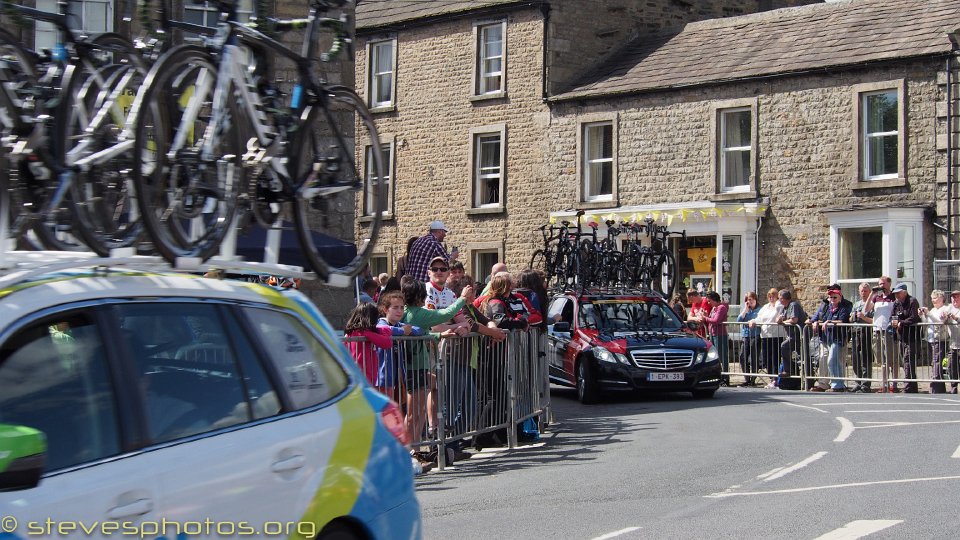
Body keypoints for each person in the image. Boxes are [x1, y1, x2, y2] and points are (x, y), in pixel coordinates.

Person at [400, 279, 472, 458]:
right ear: (420, 296)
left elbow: (422, 333)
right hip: (416, 367)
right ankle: (410, 451)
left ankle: (414, 449)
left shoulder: (407, 312)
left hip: (414, 366)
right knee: (414, 413)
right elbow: (444, 314)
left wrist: (438, 335)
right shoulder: (418, 313)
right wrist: (462, 299)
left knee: (417, 411)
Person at [375, 291, 424, 402]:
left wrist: (406, 330)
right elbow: (381, 329)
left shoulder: (399, 324)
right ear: (386, 309)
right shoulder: (382, 323)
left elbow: (418, 330)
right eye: (395, 307)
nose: (399, 311)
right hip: (383, 377)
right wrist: (402, 331)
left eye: (402, 308)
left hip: (397, 377)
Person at [809, 285, 852, 392]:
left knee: (833, 360)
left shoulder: (843, 307)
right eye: (830, 297)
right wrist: (816, 322)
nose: (832, 299)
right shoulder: (827, 308)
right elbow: (820, 318)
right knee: (825, 358)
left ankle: (837, 384)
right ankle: (827, 384)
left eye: (834, 297)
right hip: (826, 338)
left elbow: (843, 320)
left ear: (840, 297)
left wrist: (829, 322)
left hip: (838, 338)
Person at [344, 302, 393, 386]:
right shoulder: (363, 333)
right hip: (362, 376)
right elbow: (387, 343)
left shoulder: (351, 333)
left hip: (357, 375)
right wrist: (369, 332)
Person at [866, 275, 896, 392]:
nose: (881, 286)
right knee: (881, 360)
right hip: (877, 330)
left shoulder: (893, 296)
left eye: (883, 284)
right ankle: (884, 383)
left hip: (888, 330)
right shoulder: (876, 297)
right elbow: (866, 309)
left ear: (889, 284)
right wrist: (871, 295)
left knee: (891, 359)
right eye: (879, 284)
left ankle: (894, 383)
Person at [751, 288, 785, 388]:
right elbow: (759, 318)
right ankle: (771, 378)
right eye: (769, 296)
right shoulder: (766, 307)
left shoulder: (779, 306)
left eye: (773, 296)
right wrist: (753, 321)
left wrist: (777, 302)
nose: (771, 298)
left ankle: (776, 380)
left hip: (776, 335)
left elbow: (778, 315)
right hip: (765, 335)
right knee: (766, 358)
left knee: (775, 358)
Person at [890, 282, 921, 393]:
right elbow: (892, 316)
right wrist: (894, 322)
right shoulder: (896, 303)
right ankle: (911, 385)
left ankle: (909, 386)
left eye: (899, 293)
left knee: (909, 360)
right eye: (895, 293)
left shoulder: (912, 301)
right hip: (901, 336)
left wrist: (901, 323)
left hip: (911, 336)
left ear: (904, 292)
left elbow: (914, 318)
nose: (897, 296)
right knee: (904, 361)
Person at [694, 291, 729, 385]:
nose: (709, 303)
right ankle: (719, 376)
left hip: (720, 334)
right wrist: (704, 317)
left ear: (714, 299)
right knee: (716, 356)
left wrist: (705, 317)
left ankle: (726, 377)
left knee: (722, 356)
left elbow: (715, 320)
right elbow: (709, 321)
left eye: (710, 301)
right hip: (713, 334)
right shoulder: (714, 308)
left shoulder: (721, 307)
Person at [775, 289, 807, 389]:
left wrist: (784, 322)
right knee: (800, 356)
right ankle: (790, 370)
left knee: (785, 346)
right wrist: (780, 320)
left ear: (784, 298)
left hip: (799, 335)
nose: (779, 301)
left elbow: (794, 319)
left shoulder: (793, 305)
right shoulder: (784, 307)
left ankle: (789, 370)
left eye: (780, 298)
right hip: (792, 335)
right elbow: (778, 319)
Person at [922, 289, 950, 393]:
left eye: (935, 298)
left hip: (939, 339)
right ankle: (938, 386)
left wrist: (928, 313)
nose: (933, 300)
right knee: (933, 362)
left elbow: (940, 322)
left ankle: (935, 386)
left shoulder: (945, 309)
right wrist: (923, 315)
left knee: (937, 361)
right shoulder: (933, 310)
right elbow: (926, 323)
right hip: (930, 339)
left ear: (942, 298)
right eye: (932, 298)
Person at [849, 282, 875, 392]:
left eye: (865, 291)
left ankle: (866, 383)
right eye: (861, 291)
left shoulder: (872, 305)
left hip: (866, 332)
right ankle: (857, 382)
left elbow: (874, 320)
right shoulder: (856, 304)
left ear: (869, 292)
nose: (863, 293)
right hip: (855, 332)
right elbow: (850, 319)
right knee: (855, 358)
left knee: (865, 358)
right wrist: (853, 317)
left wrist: (863, 317)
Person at [737, 291, 761, 386]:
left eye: (751, 299)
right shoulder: (746, 310)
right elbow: (739, 320)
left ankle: (753, 379)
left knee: (754, 358)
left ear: (755, 299)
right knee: (742, 357)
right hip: (746, 335)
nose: (749, 302)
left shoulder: (760, 309)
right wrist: (745, 309)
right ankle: (747, 378)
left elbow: (760, 319)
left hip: (755, 335)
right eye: (747, 300)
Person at [944, 291, 960, 394]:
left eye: (957, 297)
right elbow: (942, 319)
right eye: (953, 297)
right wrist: (944, 316)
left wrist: (955, 318)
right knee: (952, 366)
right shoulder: (948, 308)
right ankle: (953, 386)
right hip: (953, 343)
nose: (955, 299)